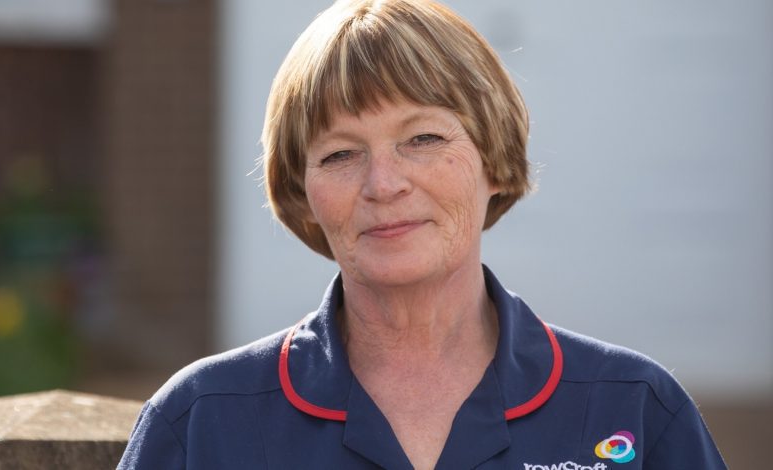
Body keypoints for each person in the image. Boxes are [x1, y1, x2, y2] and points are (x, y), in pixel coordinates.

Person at [118, 0, 727, 468]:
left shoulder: (635, 409)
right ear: (301, 193)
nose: (384, 184)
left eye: (424, 139)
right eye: (339, 155)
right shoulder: (201, 422)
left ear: (494, 156)